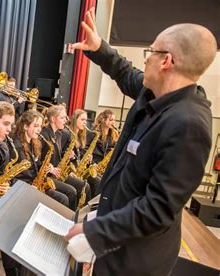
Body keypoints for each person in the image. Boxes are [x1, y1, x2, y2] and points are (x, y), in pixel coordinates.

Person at [65, 8, 216, 275]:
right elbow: (125, 74)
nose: (145, 60)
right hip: (117, 233)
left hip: (135, 259)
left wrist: (95, 232)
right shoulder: (155, 92)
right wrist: (99, 48)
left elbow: (157, 208)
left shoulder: (189, 125)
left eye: (150, 52)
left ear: (166, 60)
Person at [11, 109, 70, 207]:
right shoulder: (16, 147)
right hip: (24, 188)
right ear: (25, 126)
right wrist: (28, 187)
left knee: (64, 197)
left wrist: (46, 168)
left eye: (40, 126)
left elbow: (37, 165)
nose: (39, 129)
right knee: (63, 199)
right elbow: (12, 177)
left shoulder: (34, 143)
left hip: (34, 185)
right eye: (35, 126)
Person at [40, 105, 88, 210]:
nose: (65, 120)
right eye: (62, 118)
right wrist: (50, 168)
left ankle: (77, 215)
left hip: (57, 172)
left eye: (65, 118)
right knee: (71, 191)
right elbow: (40, 159)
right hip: (46, 176)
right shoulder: (44, 134)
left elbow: (58, 156)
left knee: (83, 185)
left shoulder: (59, 134)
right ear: (53, 119)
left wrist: (68, 156)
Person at [68, 109, 100, 198]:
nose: (85, 122)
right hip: (72, 170)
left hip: (80, 168)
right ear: (75, 119)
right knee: (92, 183)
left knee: (99, 180)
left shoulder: (81, 136)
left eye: (86, 120)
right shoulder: (69, 134)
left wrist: (88, 158)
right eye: (82, 120)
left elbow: (81, 154)